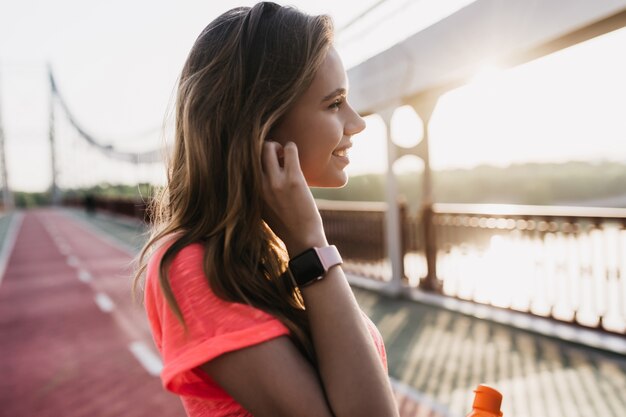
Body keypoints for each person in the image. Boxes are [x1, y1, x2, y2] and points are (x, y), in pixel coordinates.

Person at [134, 2, 399, 416]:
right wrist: (312, 245)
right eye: (334, 104)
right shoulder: (191, 266)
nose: (356, 122)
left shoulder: (269, 245)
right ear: (262, 123)